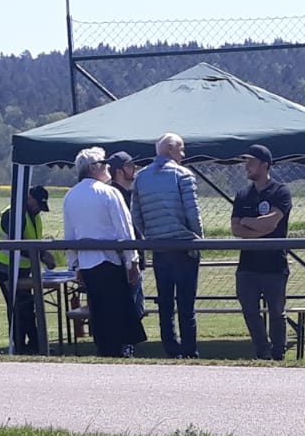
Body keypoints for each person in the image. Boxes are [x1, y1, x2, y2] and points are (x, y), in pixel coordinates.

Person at [62, 146, 145, 359]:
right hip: (110, 261)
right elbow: (124, 229)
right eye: (103, 163)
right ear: (93, 167)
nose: (107, 167)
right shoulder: (109, 192)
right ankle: (119, 351)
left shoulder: (70, 196)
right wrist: (133, 261)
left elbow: (69, 235)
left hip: (87, 264)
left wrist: (75, 266)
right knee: (117, 311)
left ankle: (104, 351)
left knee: (98, 312)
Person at [133, 133, 204, 358]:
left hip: (159, 248)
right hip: (184, 245)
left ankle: (171, 348)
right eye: (181, 149)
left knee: (165, 302)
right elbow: (193, 213)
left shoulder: (140, 177)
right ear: (171, 149)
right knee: (186, 303)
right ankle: (190, 350)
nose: (183, 153)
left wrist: (150, 235)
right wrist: (198, 239)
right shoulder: (182, 174)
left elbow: (136, 215)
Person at [230, 144, 292, 361]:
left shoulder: (280, 192)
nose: (247, 166)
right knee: (249, 310)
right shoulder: (242, 195)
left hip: (274, 264)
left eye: (252, 162)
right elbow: (235, 229)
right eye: (246, 162)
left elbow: (272, 222)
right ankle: (262, 351)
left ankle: (278, 352)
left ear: (265, 165)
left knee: (276, 312)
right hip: (247, 266)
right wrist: (259, 228)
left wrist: (248, 221)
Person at [0, 185, 53, 354]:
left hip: (23, 268)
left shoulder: (33, 215)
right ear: (29, 198)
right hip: (6, 267)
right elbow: (17, 244)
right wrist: (42, 256)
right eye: (38, 204)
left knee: (27, 306)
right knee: (17, 307)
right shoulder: (13, 214)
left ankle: (34, 344)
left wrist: (42, 253)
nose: (39, 209)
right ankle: (20, 346)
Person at [106, 153, 146, 323]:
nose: (134, 169)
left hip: (134, 259)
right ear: (118, 171)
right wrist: (131, 261)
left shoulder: (129, 194)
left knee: (137, 311)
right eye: (129, 166)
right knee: (128, 312)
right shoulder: (114, 195)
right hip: (125, 262)